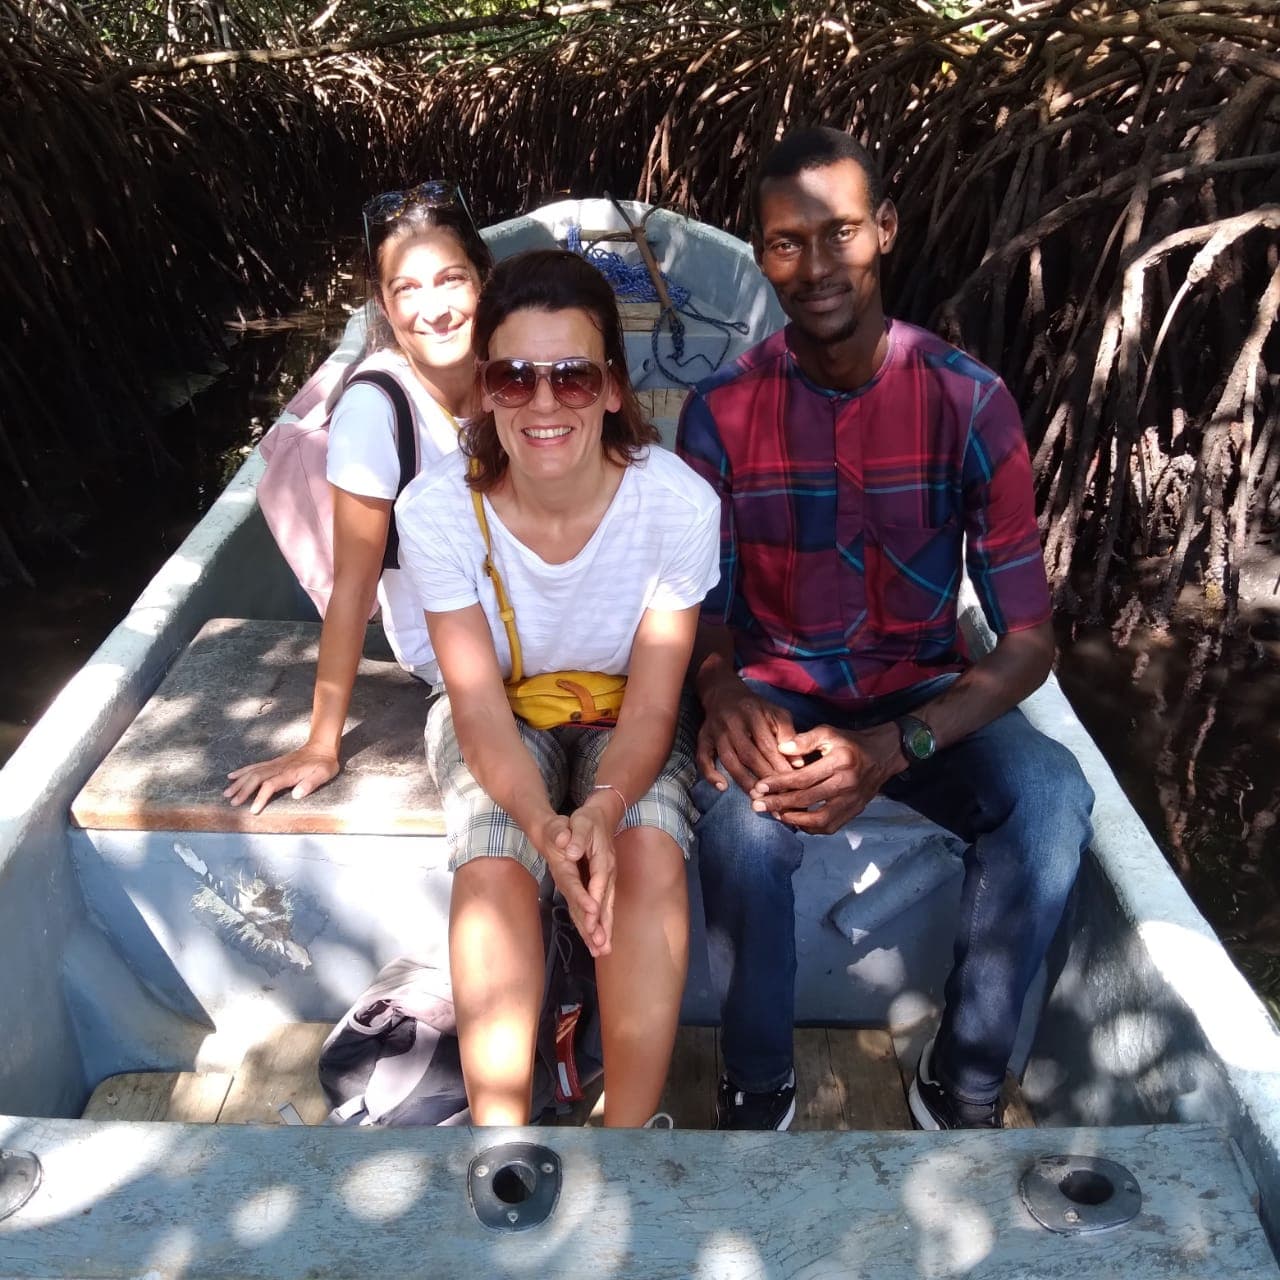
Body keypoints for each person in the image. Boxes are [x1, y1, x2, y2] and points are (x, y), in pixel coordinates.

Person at [676, 126, 1095, 1132]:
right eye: (784, 242)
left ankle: (964, 1082)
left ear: (885, 233)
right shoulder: (717, 414)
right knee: (736, 826)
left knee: (1049, 798)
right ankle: (755, 1085)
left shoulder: (969, 401)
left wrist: (892, 744)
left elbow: (1027, 640)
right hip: (781, 694)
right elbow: (700, 609)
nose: (815, 266)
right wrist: (721, 687)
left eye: (840, 232)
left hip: (919, 699)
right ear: (760, 252)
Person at [394, 249, 720, 1127]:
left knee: (649, 852)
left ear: (613, 388)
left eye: (572, 377)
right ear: (482, 391)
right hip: (503, 708)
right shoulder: (434, 511)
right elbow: (473, 704)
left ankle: (630, 1137)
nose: (543, 404)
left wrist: (603, 812)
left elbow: (655, 702)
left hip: (627, 712)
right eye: (513, 376)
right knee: (497, 857)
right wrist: (545, 825)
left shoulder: (678, 507)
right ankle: (502, 1149)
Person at [225, 182, 493, 813]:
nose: (435, 310)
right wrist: (322, 745)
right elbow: (353, 585)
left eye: (451, 280)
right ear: (383, 302)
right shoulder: (378, 408)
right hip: (456, 647)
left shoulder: (511, 370)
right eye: (407, 289)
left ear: (484, 280)